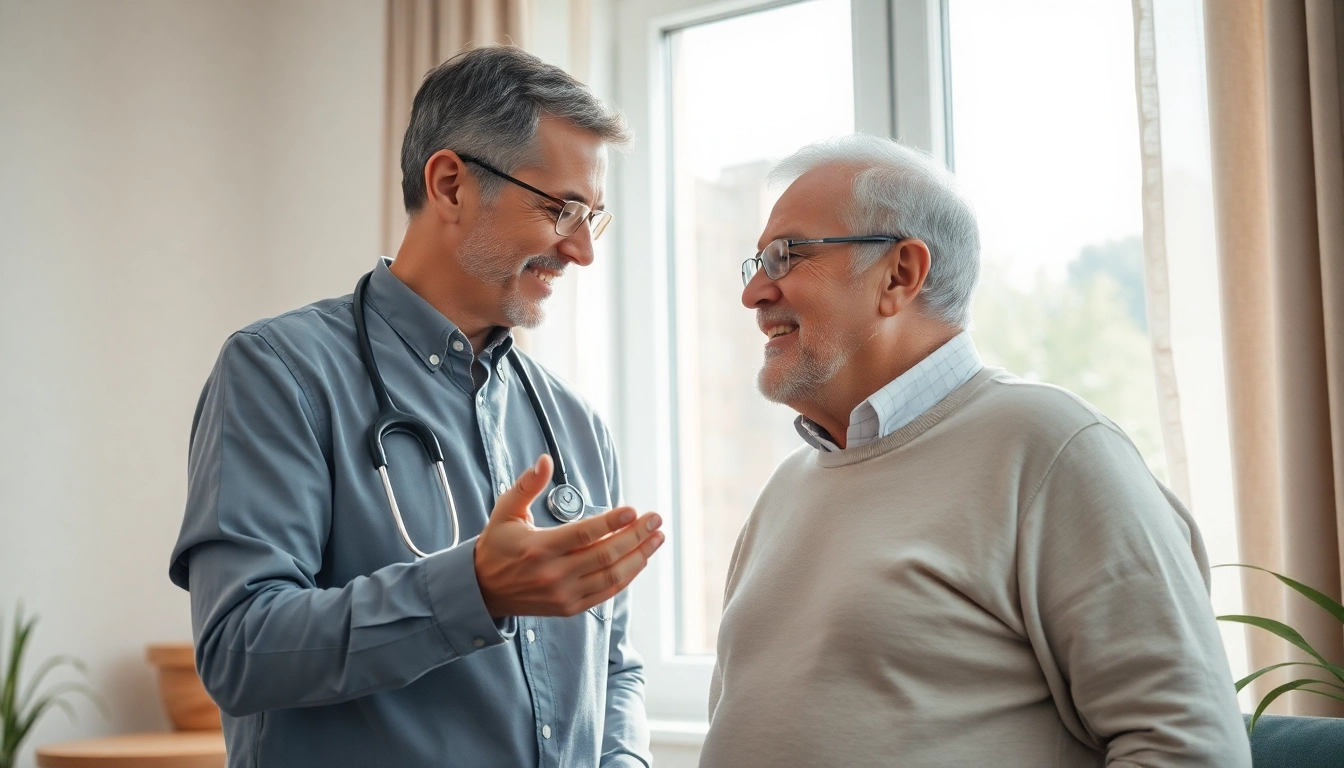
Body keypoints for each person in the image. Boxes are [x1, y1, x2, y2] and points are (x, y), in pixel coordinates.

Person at [170, 46, 664, 768]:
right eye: (563, 211)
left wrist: (625, 760)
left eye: (593, 217)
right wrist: (473, 589)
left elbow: (615, 663)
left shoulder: (574, 423)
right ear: (451, 184)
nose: (583, 251)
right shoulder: (281, 373)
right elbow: (241, 648)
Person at [699, 134, 1250, 767]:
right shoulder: (785, 490)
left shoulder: (1054, 449)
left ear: (899, 274)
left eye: (785, 256)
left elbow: (1189, 749)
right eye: (757, 263)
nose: (755, 293)